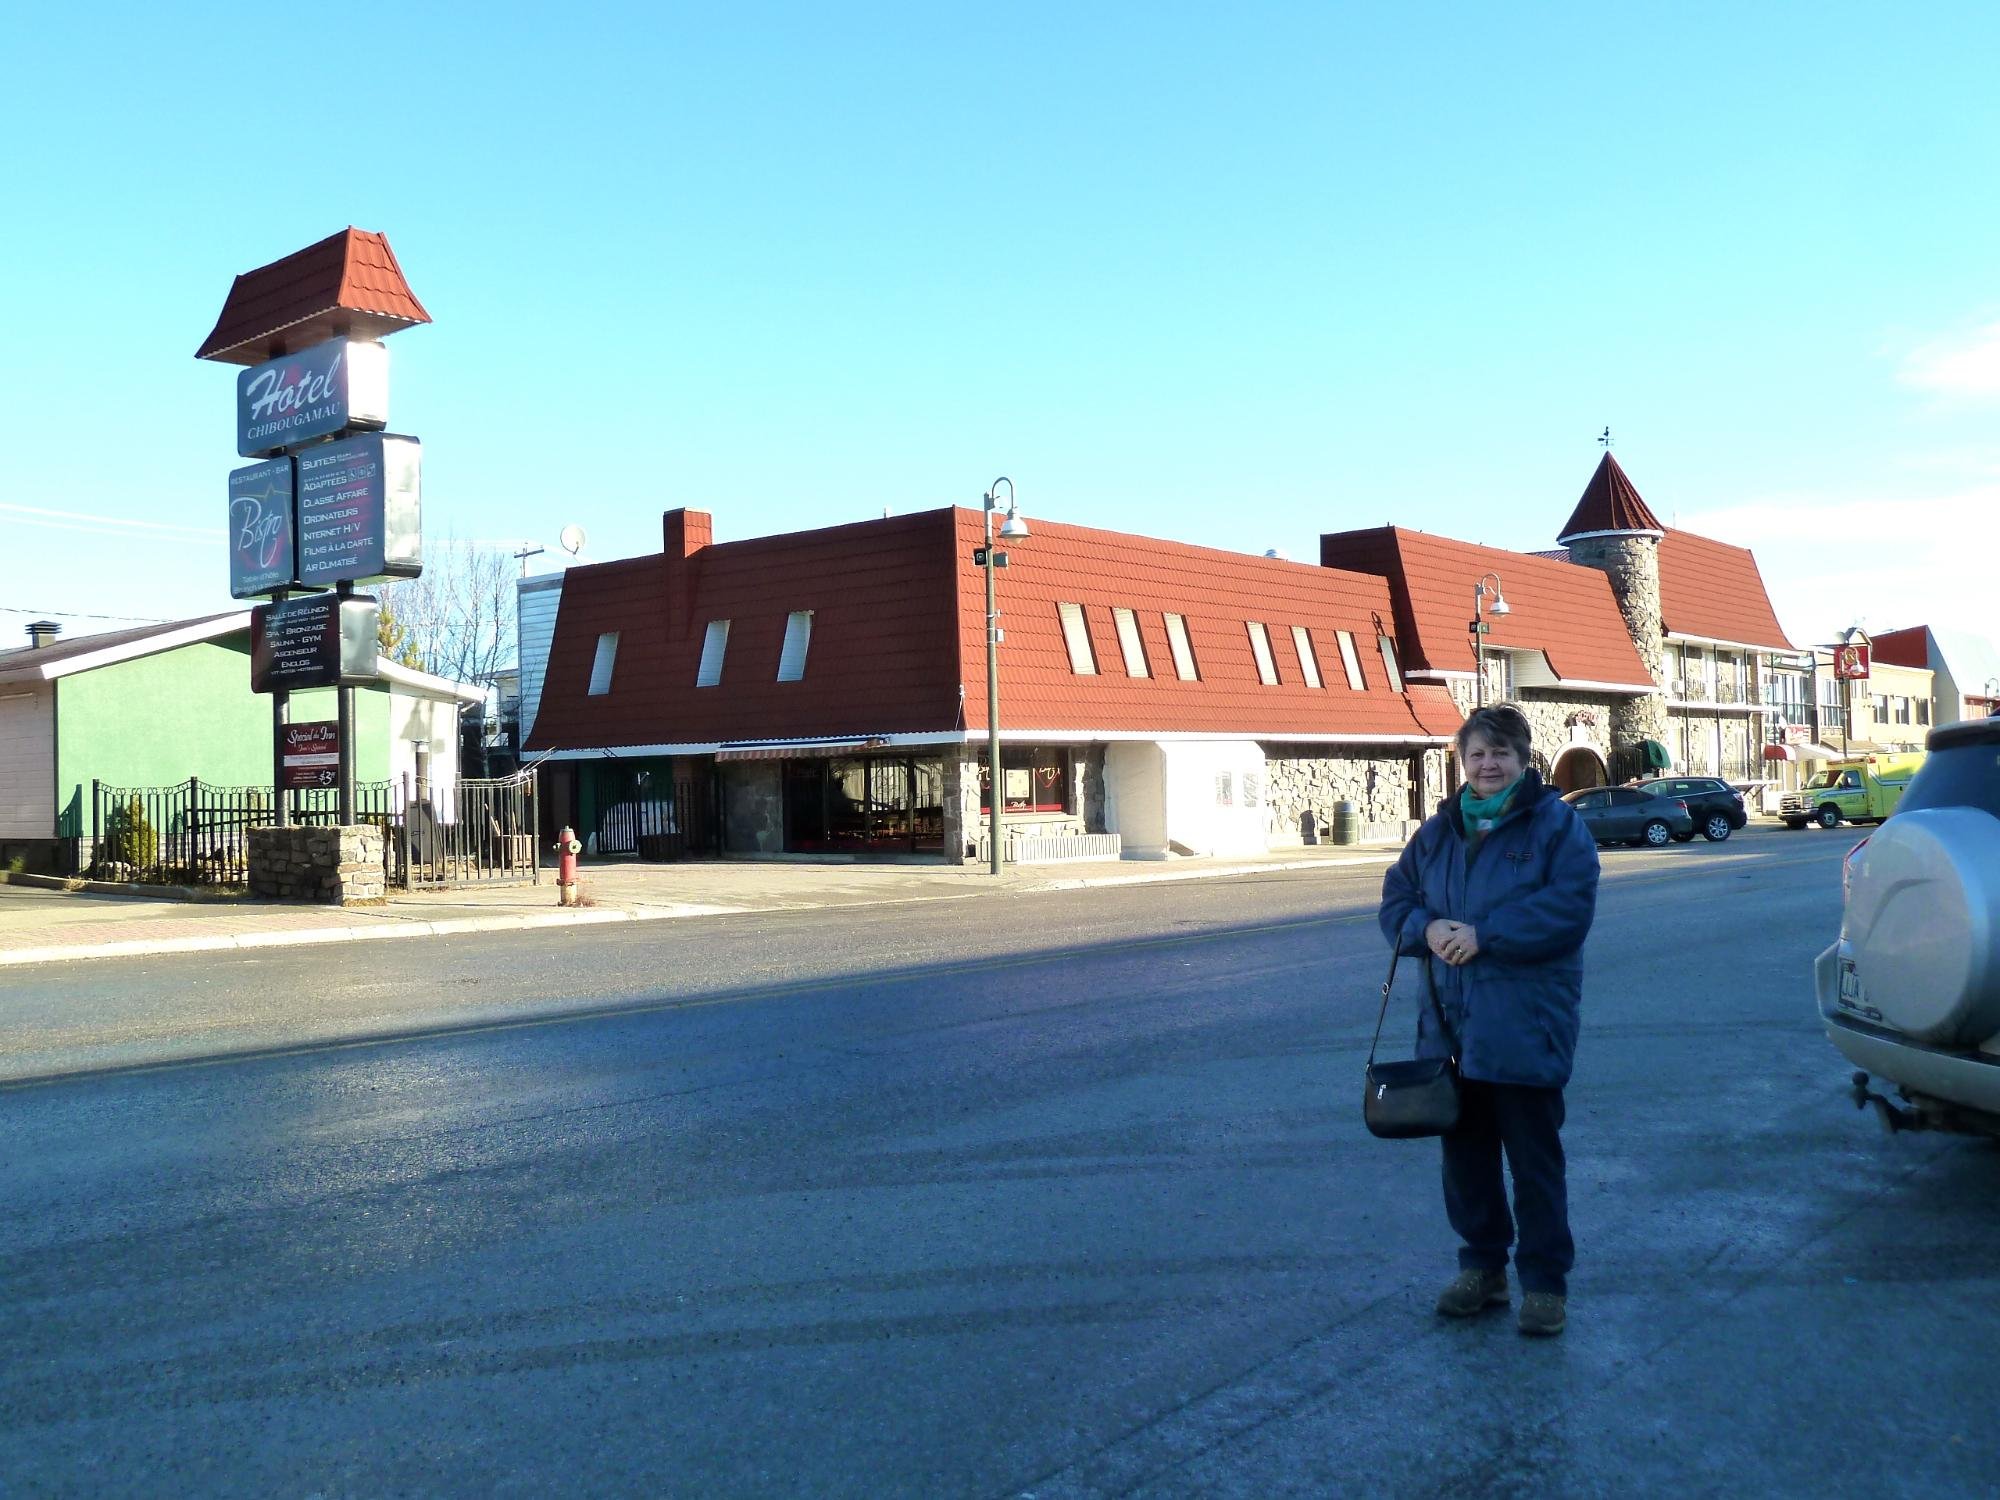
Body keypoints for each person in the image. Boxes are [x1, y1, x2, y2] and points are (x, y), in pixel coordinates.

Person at [1377, 704, 1601, 1337]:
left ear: (1524, 758)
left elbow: (1568, 912)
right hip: (1452, 1030)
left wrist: (1485, 936)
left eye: (1500, 753)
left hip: (1527, 1026)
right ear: (1462, 761)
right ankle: (1483, 1269)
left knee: (1534, 1162)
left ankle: (1544, 1283)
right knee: (1466, 1160)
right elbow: (1396, 904)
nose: (1487, 764)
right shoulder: (1438, 832)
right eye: (1476, 754)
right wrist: (1430, 927)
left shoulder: (1556, 828)